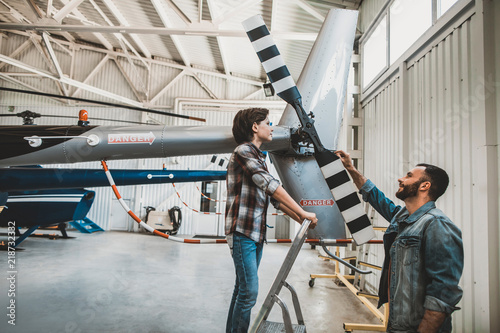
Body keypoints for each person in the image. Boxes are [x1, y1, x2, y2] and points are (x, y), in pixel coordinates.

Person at [335, 150, 463, 333]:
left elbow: (443, 296)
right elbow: (374, 196)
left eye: (409, 176)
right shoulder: (402, 216)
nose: (401, 179)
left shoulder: (437, 225)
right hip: (397, 324)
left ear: (424, 185)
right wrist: (350, 168)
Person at [225, 108, 318, 333]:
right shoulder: (243, 151)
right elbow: (270, 185)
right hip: (242, 232)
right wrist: (304, 212)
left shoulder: (258, 156)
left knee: (242, 289)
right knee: (249, 293)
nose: (272, 127)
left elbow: (274, 199)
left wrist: (301, 219)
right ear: (255, 127)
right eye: (268, 123)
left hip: (255, 233)